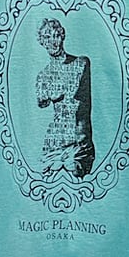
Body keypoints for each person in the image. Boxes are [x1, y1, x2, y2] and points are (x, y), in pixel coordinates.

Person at [35, 18, 95, 180]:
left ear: (62, 36)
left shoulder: (81, 63)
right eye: (47, 37)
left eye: (56, 35)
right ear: (41, 42)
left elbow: (71, 89)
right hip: (54, 142)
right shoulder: (42, 75)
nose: (52, 41)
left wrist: (53, 92)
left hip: (78, 142)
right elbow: (41, 100)